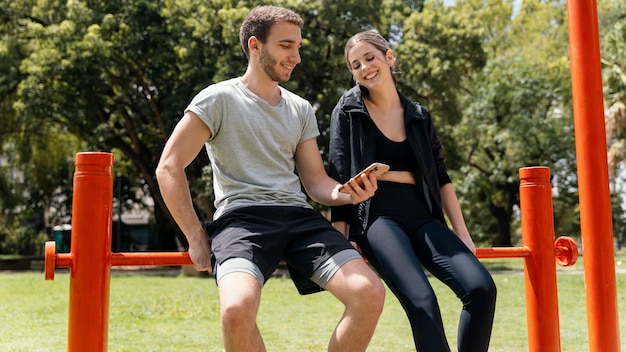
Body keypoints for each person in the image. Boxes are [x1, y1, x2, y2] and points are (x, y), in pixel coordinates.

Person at [155, 6, 385, 352]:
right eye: (286, 46)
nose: (296, 57)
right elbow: (168, 166)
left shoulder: (300, 108)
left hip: (298, 218)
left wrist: (346, 193)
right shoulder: (217, 98)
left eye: (298, 47)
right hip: (241, 220)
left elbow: (316, 183)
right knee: (236, 311)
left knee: (369, 293)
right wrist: (195, 237)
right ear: (255, 45)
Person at [328, 30, 497, 352]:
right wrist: (341, 235)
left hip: (421, 213)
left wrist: (462, 233)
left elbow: (442, 177)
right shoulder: (348, 110)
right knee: (423, 302)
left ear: (389, 58)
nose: (363, 68)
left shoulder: (418, 115)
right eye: (355, 65)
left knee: (481, 288)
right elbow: (338, 173)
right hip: (376, 216)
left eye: (369, 58)